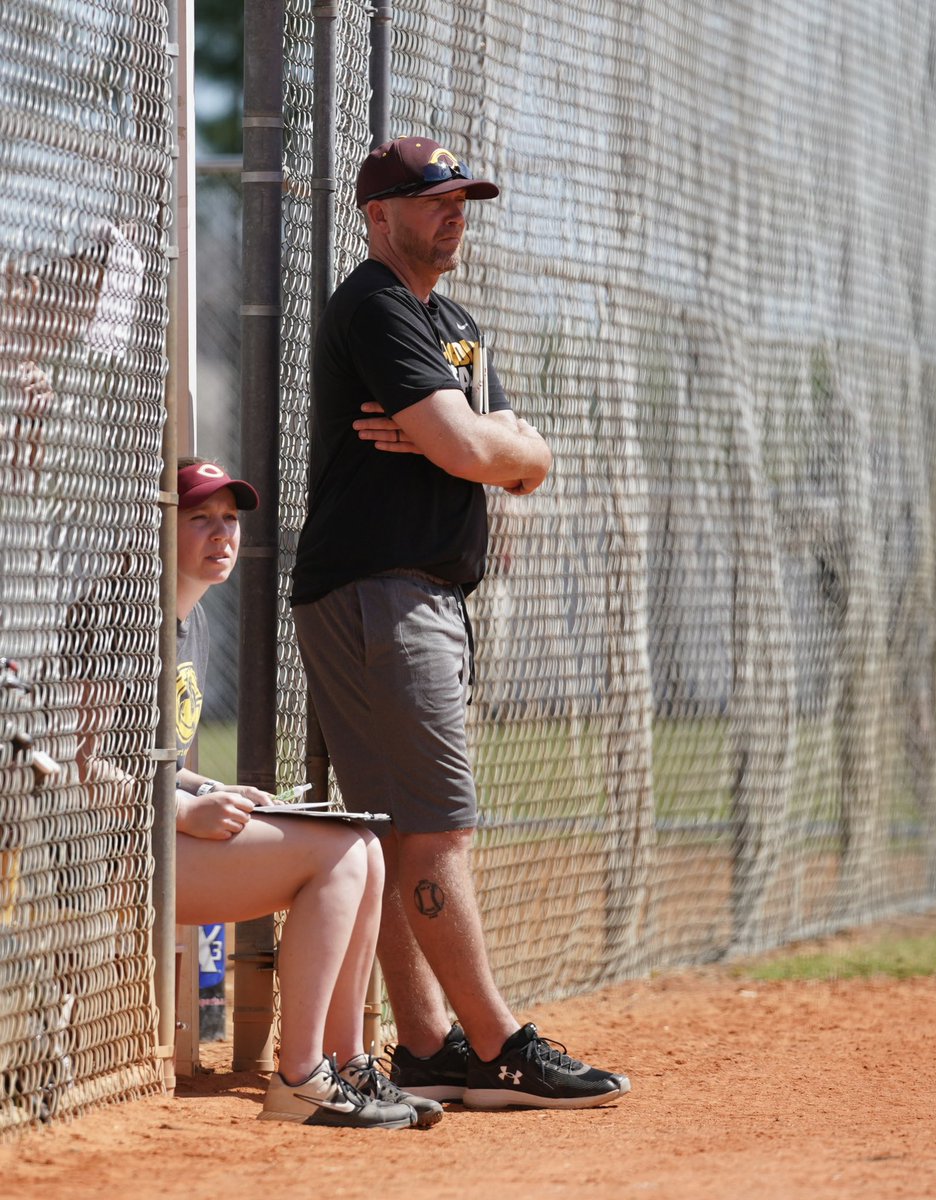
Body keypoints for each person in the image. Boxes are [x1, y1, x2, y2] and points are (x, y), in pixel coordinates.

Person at [290, 136, 630, 1109]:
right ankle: (497, 1044)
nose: (456, 210)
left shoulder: (457, 323)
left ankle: (431, 1041)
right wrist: (474, 444)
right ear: (378, 213)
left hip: (413, 592)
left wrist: (487, 446)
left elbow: (523, 457)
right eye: (433, 197)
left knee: (404, 832)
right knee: (436, 831)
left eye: (461, 197)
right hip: (382, 590)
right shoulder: (376, 301)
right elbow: (467, 443)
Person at [173, 456, 445, 1130]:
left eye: (229, 520)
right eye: (198, 518)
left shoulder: (193, 620)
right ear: (155, 527)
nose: (221, 534)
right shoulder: (123, 618)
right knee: (336, 856)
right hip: (116, 851)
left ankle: (343, 1062)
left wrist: (212, 788)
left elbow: (154, 760)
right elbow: (87, 766)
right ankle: (298, 1077)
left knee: (363, 845)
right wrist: (183, 809)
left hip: (164, 836)